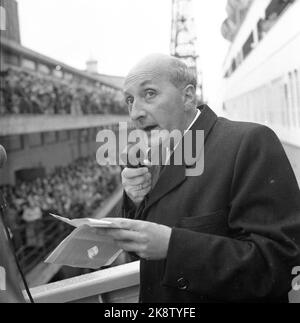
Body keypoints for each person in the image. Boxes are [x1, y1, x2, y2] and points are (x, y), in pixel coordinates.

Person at [99, 53, 300, 303]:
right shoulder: (155, 157)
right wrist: (134, 201)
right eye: (130, 100)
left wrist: (174, 247)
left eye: (149, 93)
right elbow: (145, 253)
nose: (135, 113)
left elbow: (279, 264)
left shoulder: (249, 142)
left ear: (188, 96)